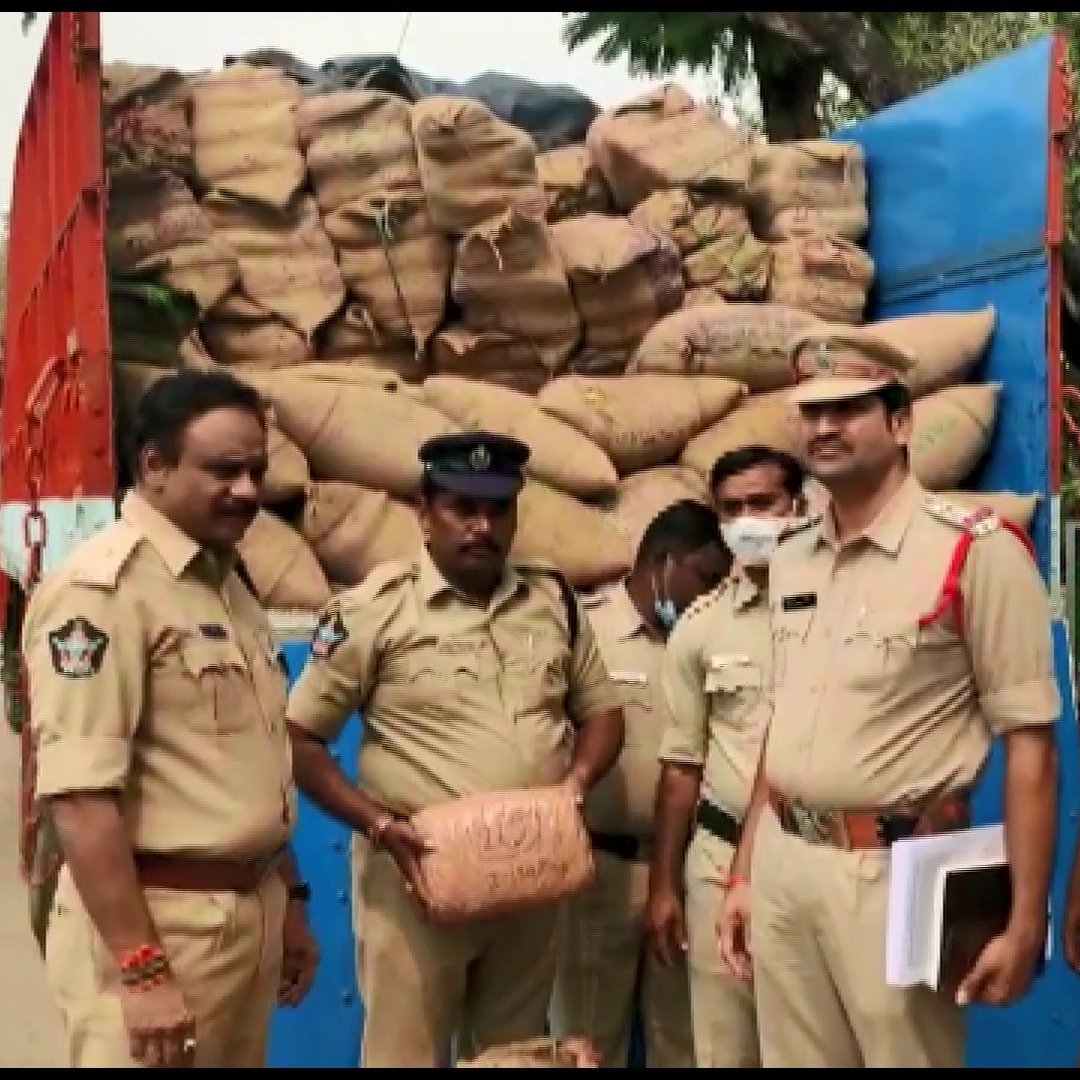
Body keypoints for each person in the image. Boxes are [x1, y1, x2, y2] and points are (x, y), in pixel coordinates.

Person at [718, 324, 1060, 1067]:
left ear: (901, 422)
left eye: (849, 409)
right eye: (811, 413)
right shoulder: (792, 557)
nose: (825, 427)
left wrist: (1027, 918)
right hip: (786, 864)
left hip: (892, 878)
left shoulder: (975, 551)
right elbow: (783, 722)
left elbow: (1031, 744)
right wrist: (746, 870)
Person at [284, 430, 626, 1068]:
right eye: (462, 509)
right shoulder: (374, 610)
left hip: (529, 876)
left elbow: (602, 711)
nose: (482, 527)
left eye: (498, 510)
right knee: (404, 1055)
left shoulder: (552, 601)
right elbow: (300, 741)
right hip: (416, 879)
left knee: (515, 1054)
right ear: (423, 512)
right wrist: (380, 826)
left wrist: (576, 783)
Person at [22, 369, 318, 1069]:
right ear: (153, 465)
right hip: (164, 929)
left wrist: (291, 895)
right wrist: (143, 967)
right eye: (223, 470)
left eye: (255, 470)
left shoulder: (226, 586)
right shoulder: (104, 593)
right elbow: (81, 801)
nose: (247, 489)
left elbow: (251, 761)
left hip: (244, 922)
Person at [549, 499, 729, 1067]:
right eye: (706, 576)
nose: (713, 592)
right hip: (600, 873)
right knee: (585, 1042)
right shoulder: (584, 630)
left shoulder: (714, 637)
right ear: (664, 561)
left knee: (685, 1043)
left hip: (687, 872)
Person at [650, 446, 806, 1068]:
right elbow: (681, 766)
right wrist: (664, 884)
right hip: (717, 863)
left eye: (762, 504)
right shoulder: (701, 627)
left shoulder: (838, 604)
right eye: (732, 508)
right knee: (724, 1051)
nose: (748, 521)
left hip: (809, 855)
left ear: (799, 505)